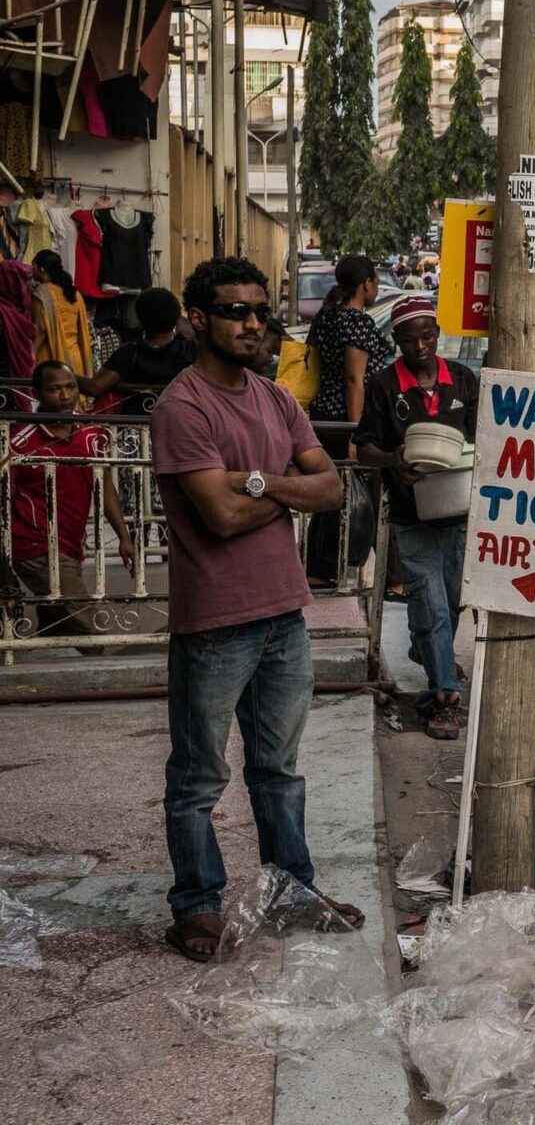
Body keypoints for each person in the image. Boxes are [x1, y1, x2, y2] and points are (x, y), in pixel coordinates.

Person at [150, 256, 354, 961]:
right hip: (215, 619)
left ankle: (293, 892)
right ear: (197, 319)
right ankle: (196, 906)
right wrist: (282, 488)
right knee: (199, 776)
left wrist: (256, 481)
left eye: (260, 311)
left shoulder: (276, 399)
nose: (253, 323)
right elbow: (221, 517)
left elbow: (331, 489)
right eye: (236, 311)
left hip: (283, 613)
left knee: (279, 770)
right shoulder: (183, 407)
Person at [354, 297, 479, 739]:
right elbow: (364, 447)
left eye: (427, 336)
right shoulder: (384, 385)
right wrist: (393, 459)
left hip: (459, 514)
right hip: (412, 515)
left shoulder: (462, 379)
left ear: (438, 334)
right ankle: (443, 697)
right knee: (432, 606)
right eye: (410, 340)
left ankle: (427, 647)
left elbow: (483, 436)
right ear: (397, 340)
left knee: (453, 600)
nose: (421, 346)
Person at [7, 360, 136, 626]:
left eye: (71, 387)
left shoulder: (90, 432)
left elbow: (104, 485)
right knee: (89, 625)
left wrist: (124, 537)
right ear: (37, 393)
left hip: (72, 544)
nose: (65, 396)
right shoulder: (20, 441)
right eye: (55, 389)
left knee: (57, 622)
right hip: (35, 546)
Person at [303, 255, 390, 586]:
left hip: (324, 415)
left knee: (329, 492)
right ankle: (344, 566)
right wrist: (356, 432)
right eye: (375, 283)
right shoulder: (356, 322)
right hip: (347, 419)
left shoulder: (326, 316)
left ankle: (320, 567)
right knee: (356, 492)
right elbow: (355, 380)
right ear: (366, 284)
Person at [81, 286, 197, 412]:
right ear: (176, 317)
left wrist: (68, 374)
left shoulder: (129, 352)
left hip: (135, 422)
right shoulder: (191, 350)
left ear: (140, 318)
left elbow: (95, 387)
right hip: (181, 419)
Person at [29, 248, 92, 377]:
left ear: (42, 269)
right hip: (75, 357)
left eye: (33, 266)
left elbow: (41, 329)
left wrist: (29, 355)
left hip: (51, 357)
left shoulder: (42, 294)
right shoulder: (74, 293)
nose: (31, 270)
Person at [0, 259, 40, 403]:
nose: (32, 284)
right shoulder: (3, 314)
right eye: (27, 279)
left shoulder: (21, 313)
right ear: (11, 282)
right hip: (6, 385)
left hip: (20, 381)